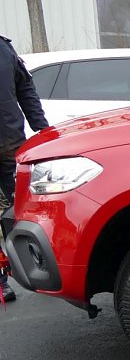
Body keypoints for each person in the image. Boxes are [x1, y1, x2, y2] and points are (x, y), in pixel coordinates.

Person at [1, 33, 48, 302]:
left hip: (11, 144)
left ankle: (33, 269)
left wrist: (42, 127)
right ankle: (1, 283)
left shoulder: (4, 48)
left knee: (21, 212)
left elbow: (25, 90)